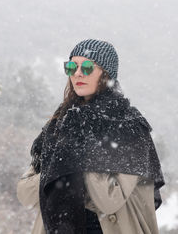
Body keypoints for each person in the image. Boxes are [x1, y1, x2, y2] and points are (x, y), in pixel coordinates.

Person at [17, 39, 165, 234]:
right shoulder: (59, 124)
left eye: (87, 67)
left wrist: (67, 165)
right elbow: (25, 193)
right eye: (71, 66)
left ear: (106, 73)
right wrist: (67, 169)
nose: (77, 73)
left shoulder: (129, 127)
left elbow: (110, 199)